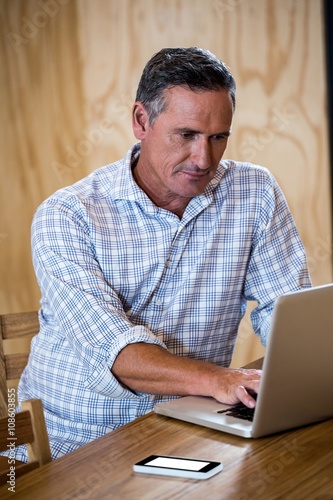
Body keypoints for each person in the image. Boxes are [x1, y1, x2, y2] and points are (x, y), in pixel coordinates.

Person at [17, 47, 311, 460]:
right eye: (186, 135)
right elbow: (117, 354)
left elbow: (284, 312)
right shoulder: (67, 215)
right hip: (74, 442)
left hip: (191, 424)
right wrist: (220, 380)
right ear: (141, 121)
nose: (203, 158)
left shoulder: (255, 192)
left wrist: (304, 370)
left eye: (218, 137)